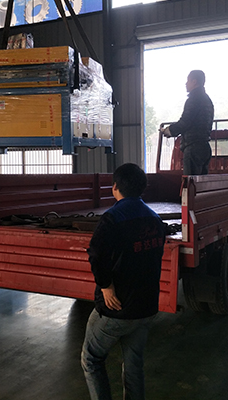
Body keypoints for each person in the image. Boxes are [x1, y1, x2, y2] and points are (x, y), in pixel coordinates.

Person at [81, 163, 166, 400]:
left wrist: (106, 286)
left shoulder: (112, 218)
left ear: (115, 187)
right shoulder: (154, 219)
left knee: (91, 358)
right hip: (146, 307)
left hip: (118, 308)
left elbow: (96, 254)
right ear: (142, 188)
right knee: (134, 364)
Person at [160, 70, 214, 175]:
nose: (186, 84)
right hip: (205, 147)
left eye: (188, 80)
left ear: (194, 81)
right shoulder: (207, 100)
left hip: (193, 147)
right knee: (201, 183)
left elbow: (185, 122)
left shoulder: (194, 99)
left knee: (190, 182)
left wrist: (169, 130)